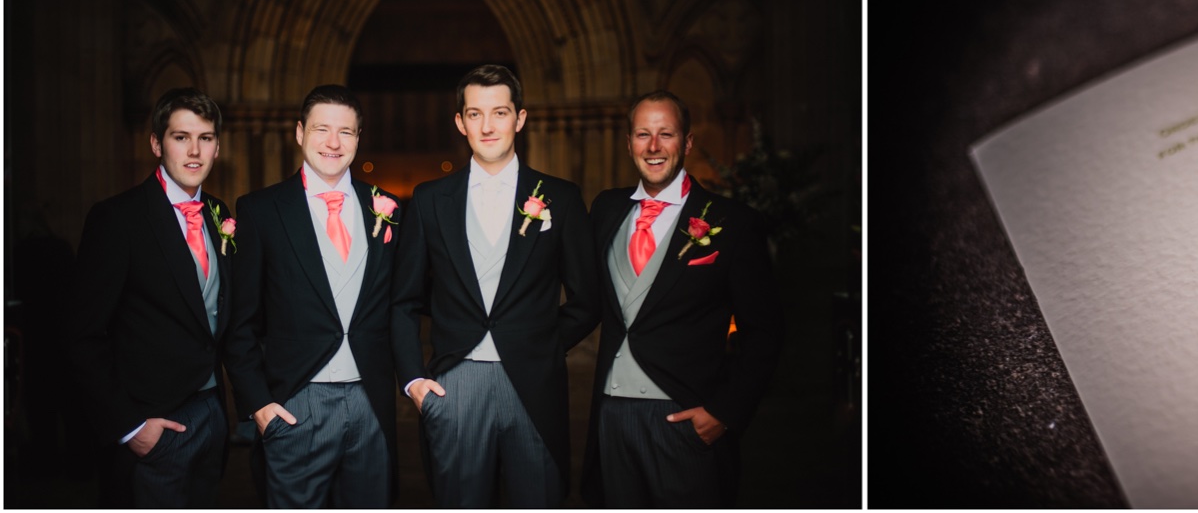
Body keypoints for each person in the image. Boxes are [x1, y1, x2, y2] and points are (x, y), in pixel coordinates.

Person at [390, 63, 598, 509]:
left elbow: (588, 298)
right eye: (476, 114)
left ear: (520, 119)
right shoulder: (429, 199)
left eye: (500, 112)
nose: (488, 126)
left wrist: (539, 345)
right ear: (460, 122)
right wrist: (413, 382)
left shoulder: (560, 198)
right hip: (454, 385)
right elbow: (403, 299)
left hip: (534, 385)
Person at [582, 93, 784, 510]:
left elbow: (765, 332)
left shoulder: (733, 222)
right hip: (611, 418)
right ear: (629, 142)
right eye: (643, 134)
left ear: (687, 143)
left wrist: (724, 411)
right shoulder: (605, 209)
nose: (653, 146)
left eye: (665, 134)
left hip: (684, 420)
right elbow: (588, 304)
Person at [225, 84, 400, 509]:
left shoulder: (385, 206)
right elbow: (239, 320)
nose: (334, 142)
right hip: (295, 402)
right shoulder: (261, 210)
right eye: (322, 129)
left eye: (346, 131)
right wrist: (260, 405)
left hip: (370, 401)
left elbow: (402, 301)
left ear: (359, 138)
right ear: (300, 133)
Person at [69, 88, 233, 509]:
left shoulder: (222, 215)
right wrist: (128, 426)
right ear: (157, 144)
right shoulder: (117, 218)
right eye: (181, 138)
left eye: (206, 138)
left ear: (217, 146)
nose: (195, 151)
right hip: (151, 424)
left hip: (213, 416)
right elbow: (82, 335)